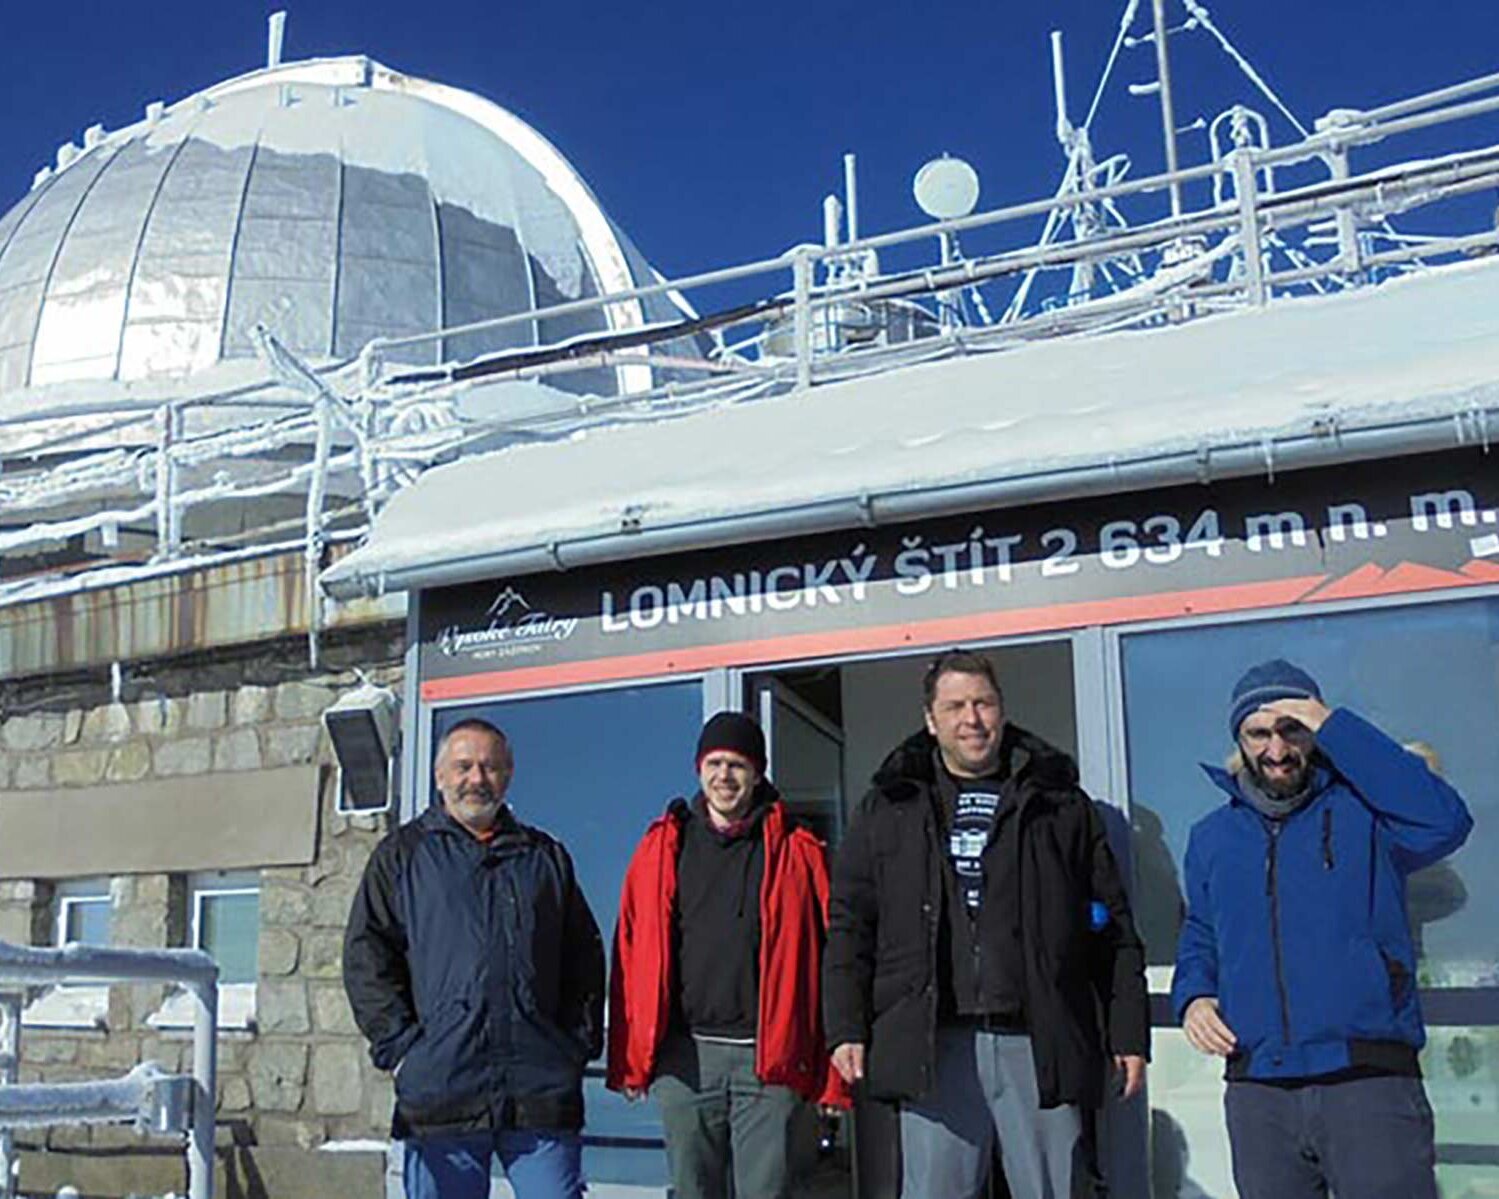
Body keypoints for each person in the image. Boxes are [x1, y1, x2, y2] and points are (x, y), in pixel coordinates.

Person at [824, 649, 1149, 1199]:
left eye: (983, 703)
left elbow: (1113, 930)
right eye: (954, 706)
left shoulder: (1059, 804)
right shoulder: (889, 806)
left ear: (1002, 710)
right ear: (931, 720)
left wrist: (1127, 1032)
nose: (971, 719)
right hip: (933, 1042)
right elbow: (851, 925)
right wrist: (845, 1026)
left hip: (1039, 1037)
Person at [1173, 660, 1474, 1199]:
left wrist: (1332, 723)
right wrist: (1194, 996)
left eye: (1293, 729)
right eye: (1258, 733)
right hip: (1258, 1089)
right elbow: (1201, 930)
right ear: (1239, 739)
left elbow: (1446, 821)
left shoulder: (1367, 815)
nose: (1277, 749)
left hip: (1367, 1080)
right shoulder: (1212, 837)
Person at [343, 719, 605, 1199]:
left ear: (508, 775)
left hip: (539, 1090)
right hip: (443, 1092)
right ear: (441, 775)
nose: (476, 779)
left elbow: (584, 956)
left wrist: (576, 1043)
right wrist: (401, 1048)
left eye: (490, 767)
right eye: (463, 766)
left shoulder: (544, 857)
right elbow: (367, 956)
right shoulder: (403, 855)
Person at [607, 711, 845, 1199]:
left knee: (767, 1191)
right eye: (714, 763)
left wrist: (833, 1071)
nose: (724, 776)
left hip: (770, 1060)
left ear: (757, 773)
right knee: (693, 1190)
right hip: (685, 1060)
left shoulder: (798, 850)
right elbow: (629, 953)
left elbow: (833, 959)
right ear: (698, 769)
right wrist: (630, 1058)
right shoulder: (661, 848)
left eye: (737, 764)